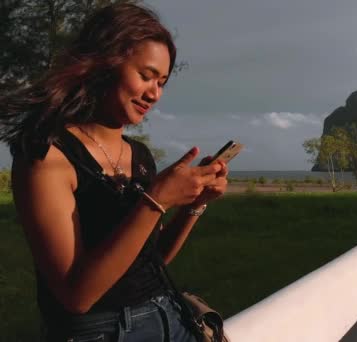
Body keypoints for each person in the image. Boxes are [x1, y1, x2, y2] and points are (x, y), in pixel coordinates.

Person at [0, 4, 228, 341]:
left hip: (169, 315)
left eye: (162, 82)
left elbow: (150, 259)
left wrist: (194, 205)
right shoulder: (47, 155)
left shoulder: (139, 156)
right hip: (102, 331)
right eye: (146, 75)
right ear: (104, 64)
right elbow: (75, 296)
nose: (155, 93)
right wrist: (155, 200)